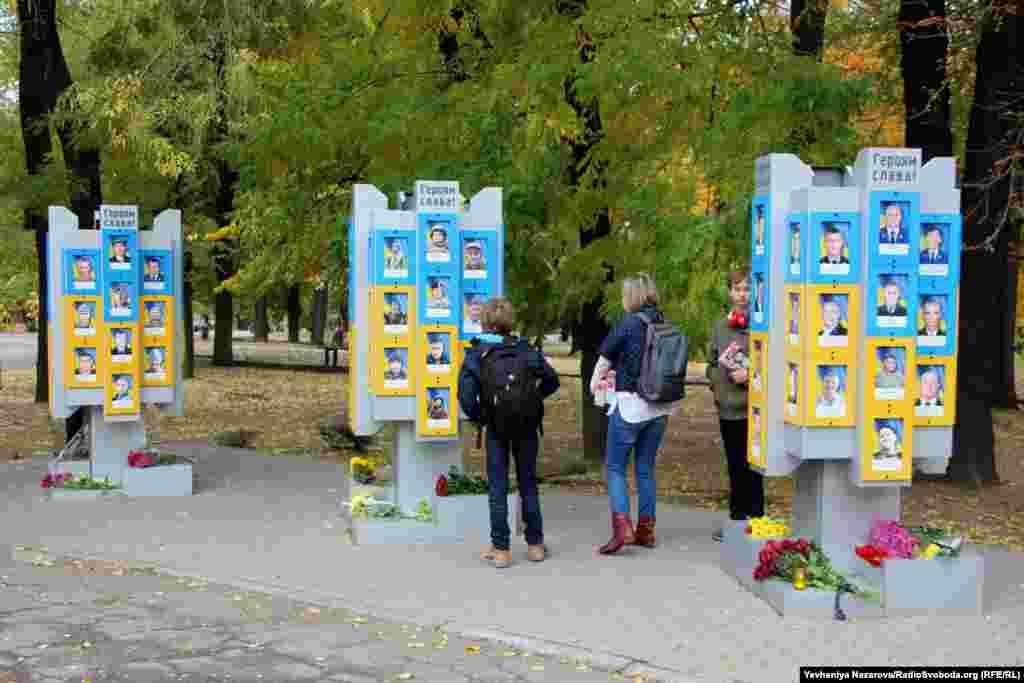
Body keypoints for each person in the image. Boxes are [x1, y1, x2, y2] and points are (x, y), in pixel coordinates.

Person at [459, 298, 560, 567]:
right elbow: (553, 380)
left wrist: (482, 417)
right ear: (509, 322)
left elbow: (466, 396)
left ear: (485, 323)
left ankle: (501, 549)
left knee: (498, 486)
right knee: (528, 482)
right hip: (527, 425)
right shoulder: (526, 349)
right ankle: (536, 545)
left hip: (496, 428)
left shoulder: (477, 353)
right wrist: (534, 398)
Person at [588, 274, 680, 554]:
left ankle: (622, 529)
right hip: (660, 408)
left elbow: (604, 360)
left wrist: (595, 387)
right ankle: (646, 531)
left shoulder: (628, 324)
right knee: (645, 468)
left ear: (632, 296)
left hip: (630, 407)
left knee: (615, 467)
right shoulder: (664, 322)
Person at [705, 270, 764, 541]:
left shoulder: (763, 324)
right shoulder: (720, 326)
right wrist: (717, 384)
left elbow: (776, 364)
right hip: (728, 407)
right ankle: (736, 520)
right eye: (737, 289)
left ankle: (756, 519)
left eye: (747, 289)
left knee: (754, 465)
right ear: (729, 292)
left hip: (754, 407)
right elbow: (711, 362)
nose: (742, 294)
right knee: (735, 465)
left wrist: (750, 377)